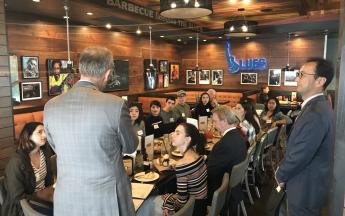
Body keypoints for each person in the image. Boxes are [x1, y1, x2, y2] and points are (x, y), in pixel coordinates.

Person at [44, 46, 138, 216]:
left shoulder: (51, 106)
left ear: (80, 70)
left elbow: (55, 146)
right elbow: (131, 147)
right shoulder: (115, 105)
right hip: (107, 199)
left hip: (67, 198)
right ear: (108, 74)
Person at [275, 58, 334, 216]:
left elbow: (300, 153)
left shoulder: (315, 112)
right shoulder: (317, 106)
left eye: (302, 75)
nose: (296, 78)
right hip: (308, 185)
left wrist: (280, 174)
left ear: (320, 81)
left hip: (305, 188)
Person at [137, 123, 207, 216]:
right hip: (200, 205)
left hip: (192, 210)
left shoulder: (182, 164)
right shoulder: (198, 156)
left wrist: (168, 204)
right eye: (174, 132)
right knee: (165, 195)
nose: (172, 135)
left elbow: (181, 202)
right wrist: (170, 197)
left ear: (187, 139)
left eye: (177, 133)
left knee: (146, 203)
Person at [2, 122, 54, 216]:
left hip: (44, 199)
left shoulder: (44, 153)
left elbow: (49, 181)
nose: (45, 135)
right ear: (28, 136)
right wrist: (40, 195)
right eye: (39, 132)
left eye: (45, 131)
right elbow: (17, 197)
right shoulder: (16, 161)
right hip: (25, 207)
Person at [207, 105, 247, 214]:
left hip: (220, 191)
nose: (213, 125)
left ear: (224, 121)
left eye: (215, 121)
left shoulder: (223, 145)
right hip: (234, 186)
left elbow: (210, 173)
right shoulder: (240, 135)